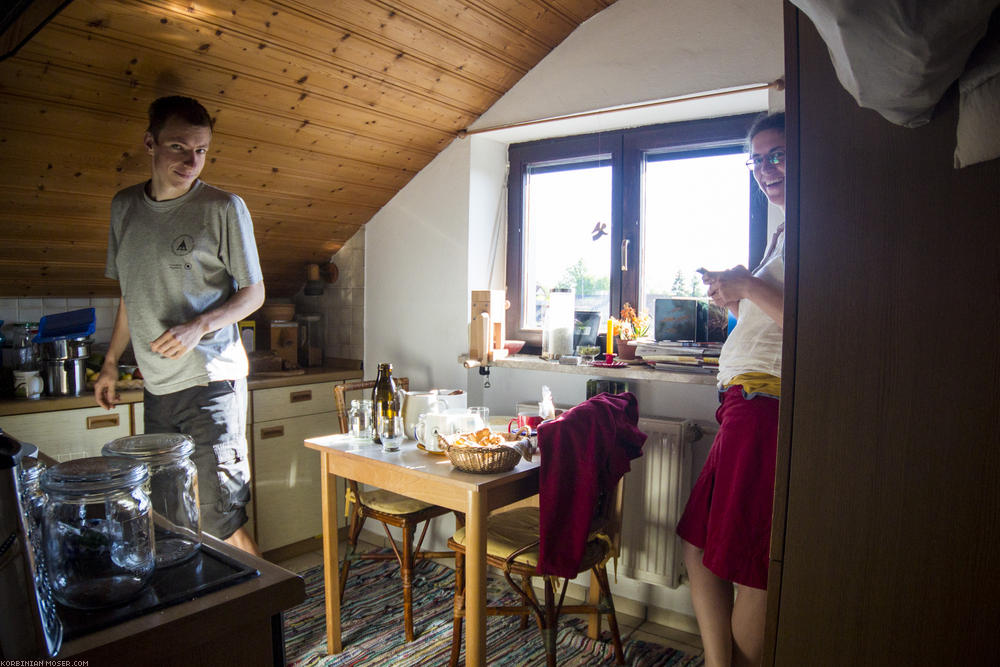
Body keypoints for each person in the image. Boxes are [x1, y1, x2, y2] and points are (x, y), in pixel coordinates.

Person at [95, 96, 265, 556]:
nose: (192, 162)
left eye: (202, 150)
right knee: (172, 518)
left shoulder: (224, 207)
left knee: (221, 518)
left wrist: (198, 327)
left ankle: (267, 622)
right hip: (158, 387)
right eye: (178, 147)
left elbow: (254, 293)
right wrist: (111, 363)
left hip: (211, 382)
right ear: (150, 143)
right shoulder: (124, 207)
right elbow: (131, 295)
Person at [676, 111, 786, 667]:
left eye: (778, 155)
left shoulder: (828, 222)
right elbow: (769, 319)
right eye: (757, 160)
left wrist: (748, 285)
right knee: (698, 547)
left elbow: (821, 325)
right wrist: (738, 297)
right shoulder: (786, 230)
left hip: (765, 406)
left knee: (749, 562)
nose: (766, 169)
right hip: (740, 404)